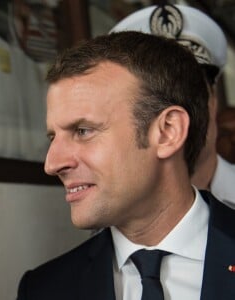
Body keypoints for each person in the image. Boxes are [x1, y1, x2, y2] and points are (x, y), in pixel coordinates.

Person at [16, 31, 235, 300]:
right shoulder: (42, 290)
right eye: (53, 137)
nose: (52, 164)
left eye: (83, 131)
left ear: (168, 132)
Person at [110, 4, 235, 208]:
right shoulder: (116, 212)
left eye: (189, 90)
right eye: (154, 95)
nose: (174, 111)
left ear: (212, 102)